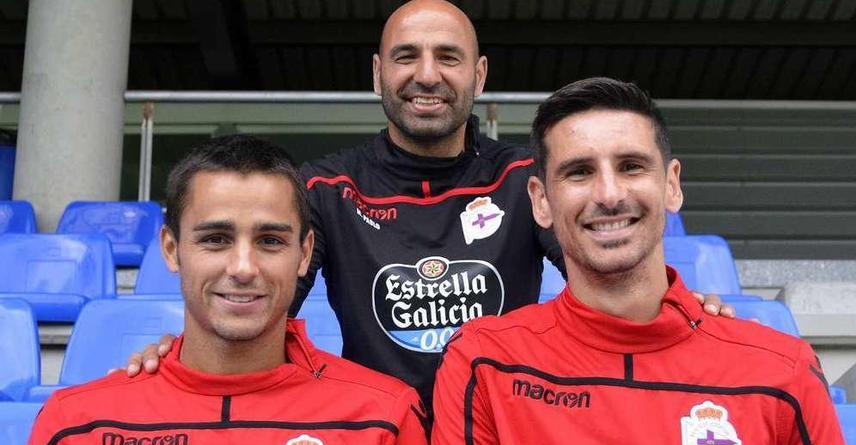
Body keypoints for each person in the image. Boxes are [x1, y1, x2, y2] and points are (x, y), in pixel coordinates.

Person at [127, 0, 731, 418]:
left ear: (479, 73)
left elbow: (605, 268)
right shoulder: (325, 187)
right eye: (406, 56)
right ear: (377, 73)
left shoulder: (525, 177)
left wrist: (677, 309)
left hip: (504, 422)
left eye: (448, 56)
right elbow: (257, 301)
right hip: (378, 432)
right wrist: (181, 353)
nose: (427, 75)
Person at [425, 78, 855, 445]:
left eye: (631, 166)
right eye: (579, 172)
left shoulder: (782, 371)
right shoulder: (485, 363)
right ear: (541, 201)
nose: (609, 194)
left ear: (671, 185)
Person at [20, 135, 428, 445]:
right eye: (215, 239)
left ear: (304, 253)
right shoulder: (77, 424)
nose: (243, 267)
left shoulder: (383, 419)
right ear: (170, 249)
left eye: (270, 240)